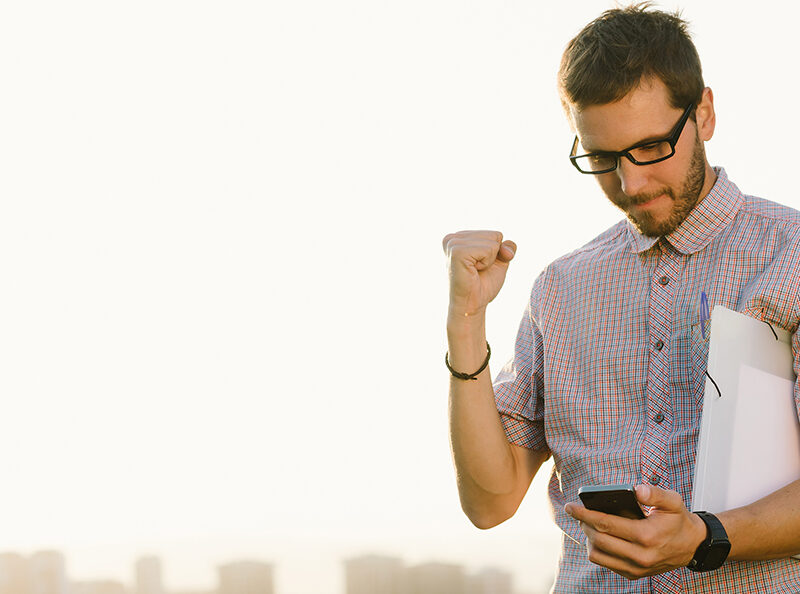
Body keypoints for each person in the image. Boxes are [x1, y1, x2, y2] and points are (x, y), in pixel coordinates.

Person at [442, 4, 800, 593]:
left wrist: (705, 536)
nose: (630, 184)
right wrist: (465, 319)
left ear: (703, 113)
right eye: (603, 159)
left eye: (651, 147)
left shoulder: (789, 255)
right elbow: (490, 501)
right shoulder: (560, 289)